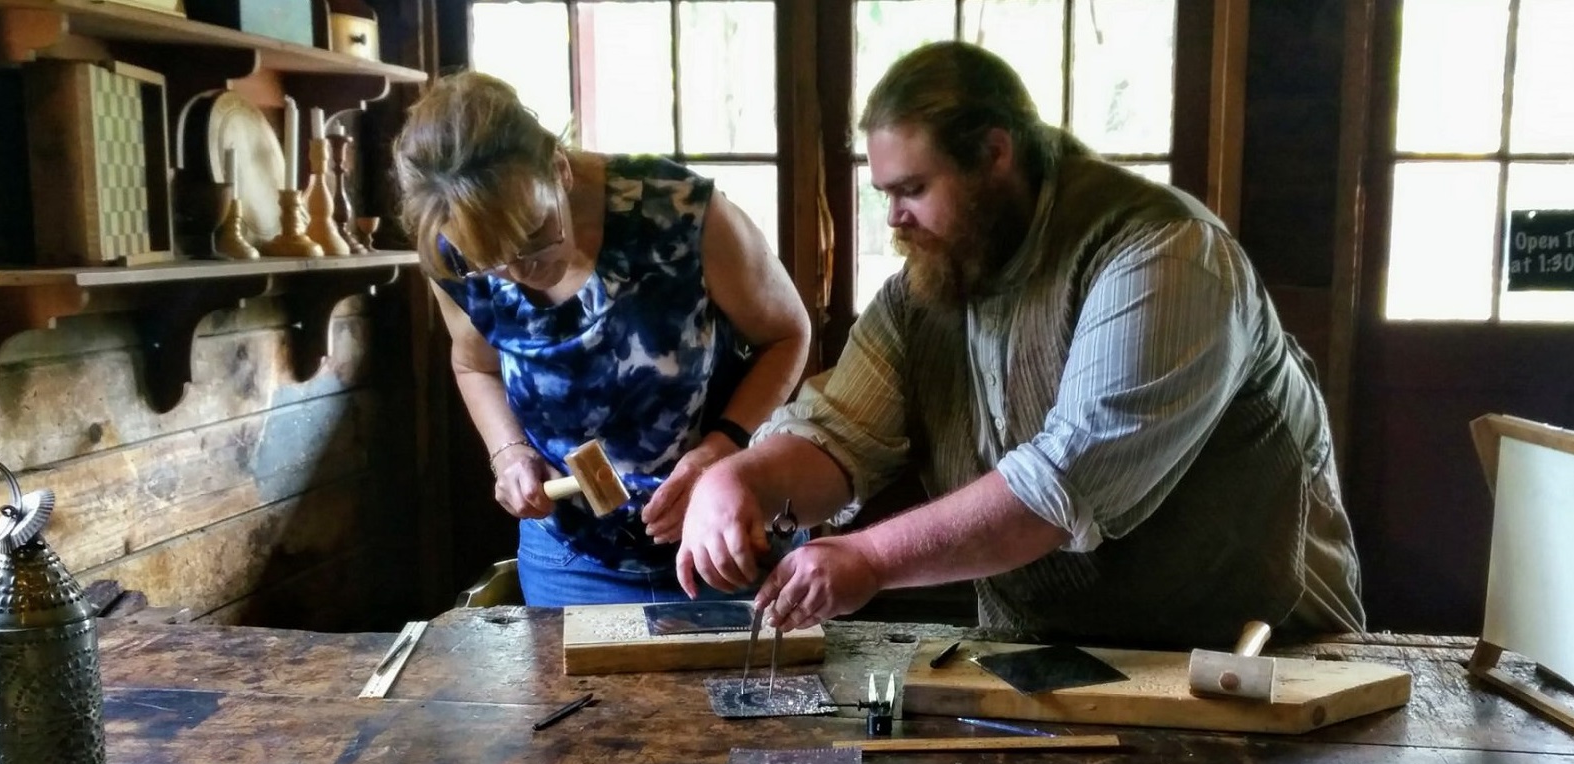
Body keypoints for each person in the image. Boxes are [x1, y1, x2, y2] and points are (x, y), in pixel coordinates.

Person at [675, 41, 1366, 649]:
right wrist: (743, 478)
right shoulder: (927, 287)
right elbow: (839, 437)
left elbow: (1059, 483)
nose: (895, 218)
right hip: (1052, 657)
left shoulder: (1162, 253)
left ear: (994, 154)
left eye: (913, 188)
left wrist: (868, 559)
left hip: (1254, 657)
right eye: (885, 193)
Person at [394, 71, 810, 606]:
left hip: (725, 536)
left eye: (534, 238)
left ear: (559, 168)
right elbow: (475, 365)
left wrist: (720, 448)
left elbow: (787, 335)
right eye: (496, 265)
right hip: (570, 558)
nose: (522, 274)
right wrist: (508, 453)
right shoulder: (454, 249)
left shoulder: (677, 213)